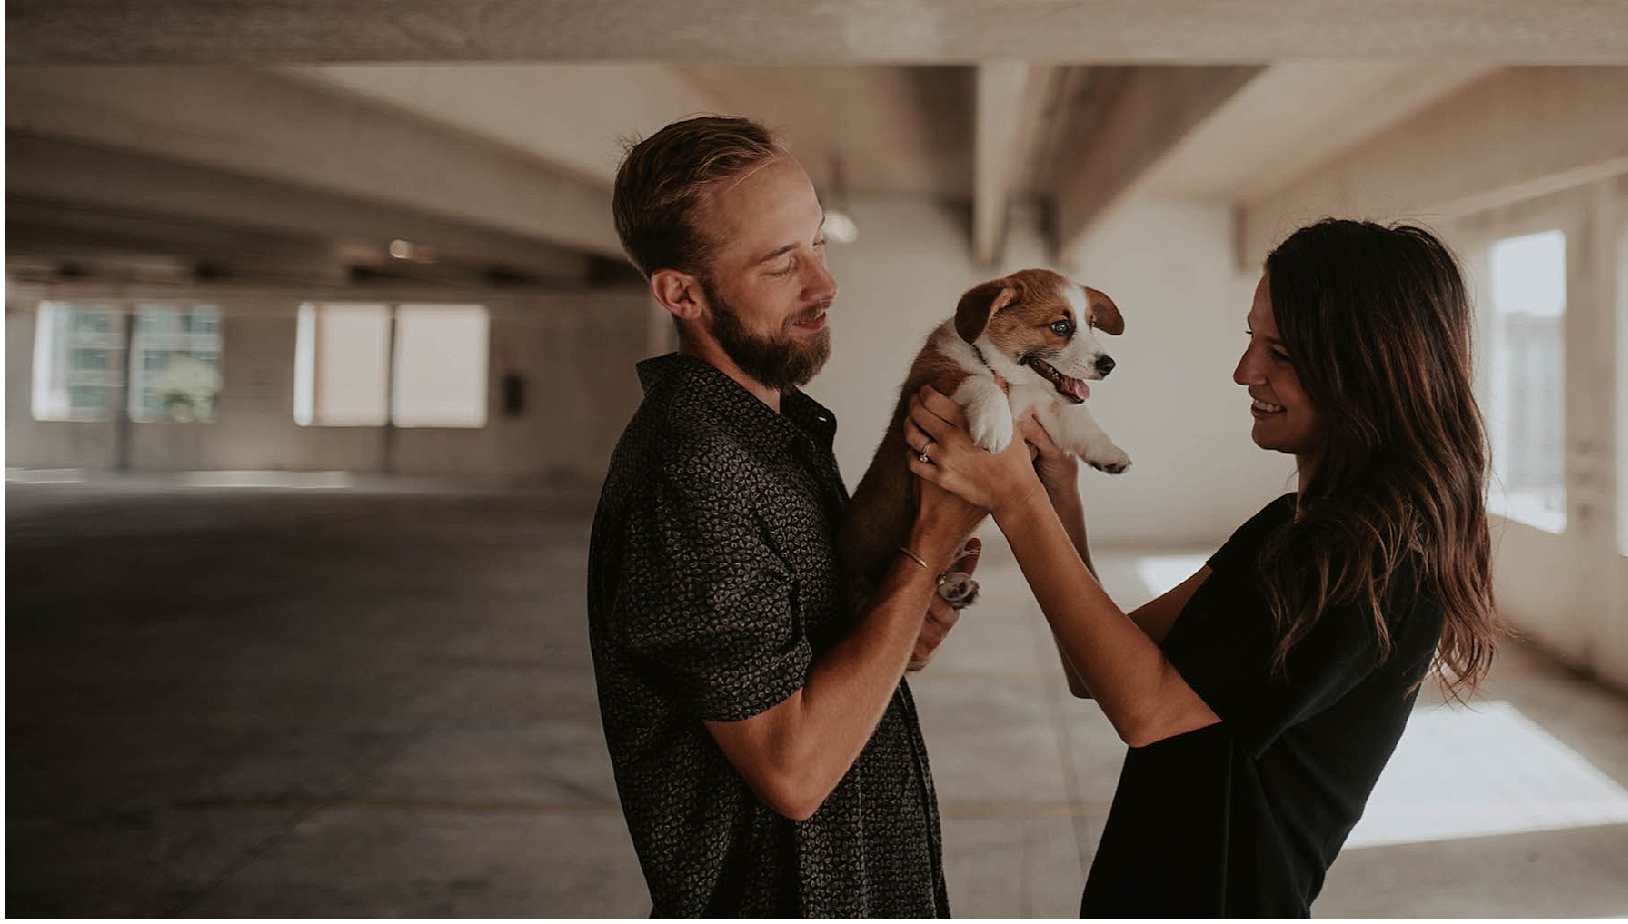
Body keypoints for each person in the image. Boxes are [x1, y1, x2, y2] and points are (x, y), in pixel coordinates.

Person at [904, 217, 1500, 917]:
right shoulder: (1290, 529)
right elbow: (1092, 671)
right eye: (1251, 339)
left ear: (1366, 368)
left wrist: (1015, 499)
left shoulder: (1372, 559)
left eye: (1280, 352)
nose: (1246, 372)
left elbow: (1147, 711)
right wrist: (1057, 491)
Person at [587, 116, 986, 917]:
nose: (824, 284)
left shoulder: (778, 433)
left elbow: (805, 671)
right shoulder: (694, 473)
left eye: (818, 244)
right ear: (681, 294)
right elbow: (793, 770)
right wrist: (926, 545)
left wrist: (891, 621)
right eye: (781, 263)